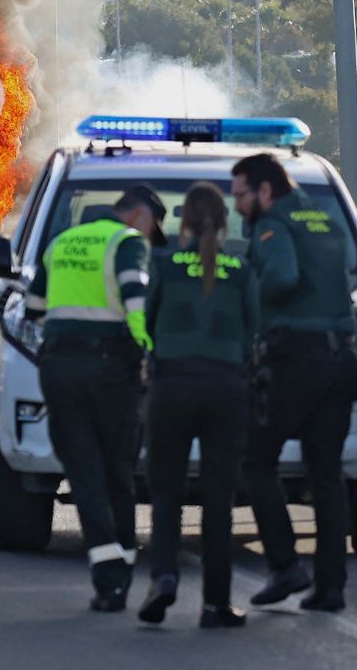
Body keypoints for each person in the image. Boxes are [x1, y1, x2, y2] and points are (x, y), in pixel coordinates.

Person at [23, 184, 165, 612]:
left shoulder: (60, 243)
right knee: (117, 471)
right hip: (112, 372)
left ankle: (112, 576)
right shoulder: (126, 244)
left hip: (61, 369)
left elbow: (33, 308)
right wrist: (151, 353)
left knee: (84, 472)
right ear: (139, 215)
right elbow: (136, 304)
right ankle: (117, 563)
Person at [231, 152, 357, 614]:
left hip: (297, 359)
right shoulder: (323, 218)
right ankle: (331, 587)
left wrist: (246, 296)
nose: (237, 203)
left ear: (265, 191)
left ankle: (285, 565)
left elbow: (281, 277)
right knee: (325, 473)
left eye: (240, 194)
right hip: (341, 356)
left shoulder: (273, 225)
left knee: (257, 460)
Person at [138, 182, 259, 629]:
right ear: (226, 224)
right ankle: (216, 604)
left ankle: (164, 579)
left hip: (170, 389)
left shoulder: (165, 266)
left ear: (182, 223)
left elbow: (145, 323)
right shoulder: (241, 270)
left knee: (166, 494)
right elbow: (253, 334)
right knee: (218, 500)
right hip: (226, 391)